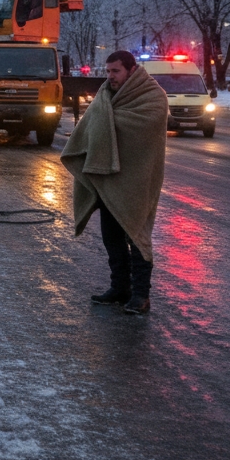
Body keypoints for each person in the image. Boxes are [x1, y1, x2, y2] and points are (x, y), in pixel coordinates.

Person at [60, 50, 168, 315]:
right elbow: (92, 123)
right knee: (111, 237)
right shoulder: (106, 94)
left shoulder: (153, 97)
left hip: (137, 179)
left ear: (131, 70)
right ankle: (120, 288)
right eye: (107, 71)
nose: (110, 77)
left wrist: (101, 125)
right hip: (109, 180)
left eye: (115, 71)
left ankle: (141, 295)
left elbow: (133, 130)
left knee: (136, 235)